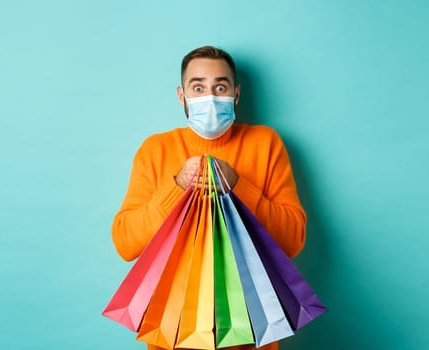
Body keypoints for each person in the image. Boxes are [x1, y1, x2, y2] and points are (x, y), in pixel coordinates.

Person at [110, 46, 307, 350]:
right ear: (182, 95)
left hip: (252, 337)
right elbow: (125, 243)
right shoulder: (155, 150)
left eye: (220, 87)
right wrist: (177, 185)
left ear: (236, 94)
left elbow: (292, 240)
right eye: (198, 87)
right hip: (172, 339)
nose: (210, 97)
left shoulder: (266, 144)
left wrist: (238, 185)